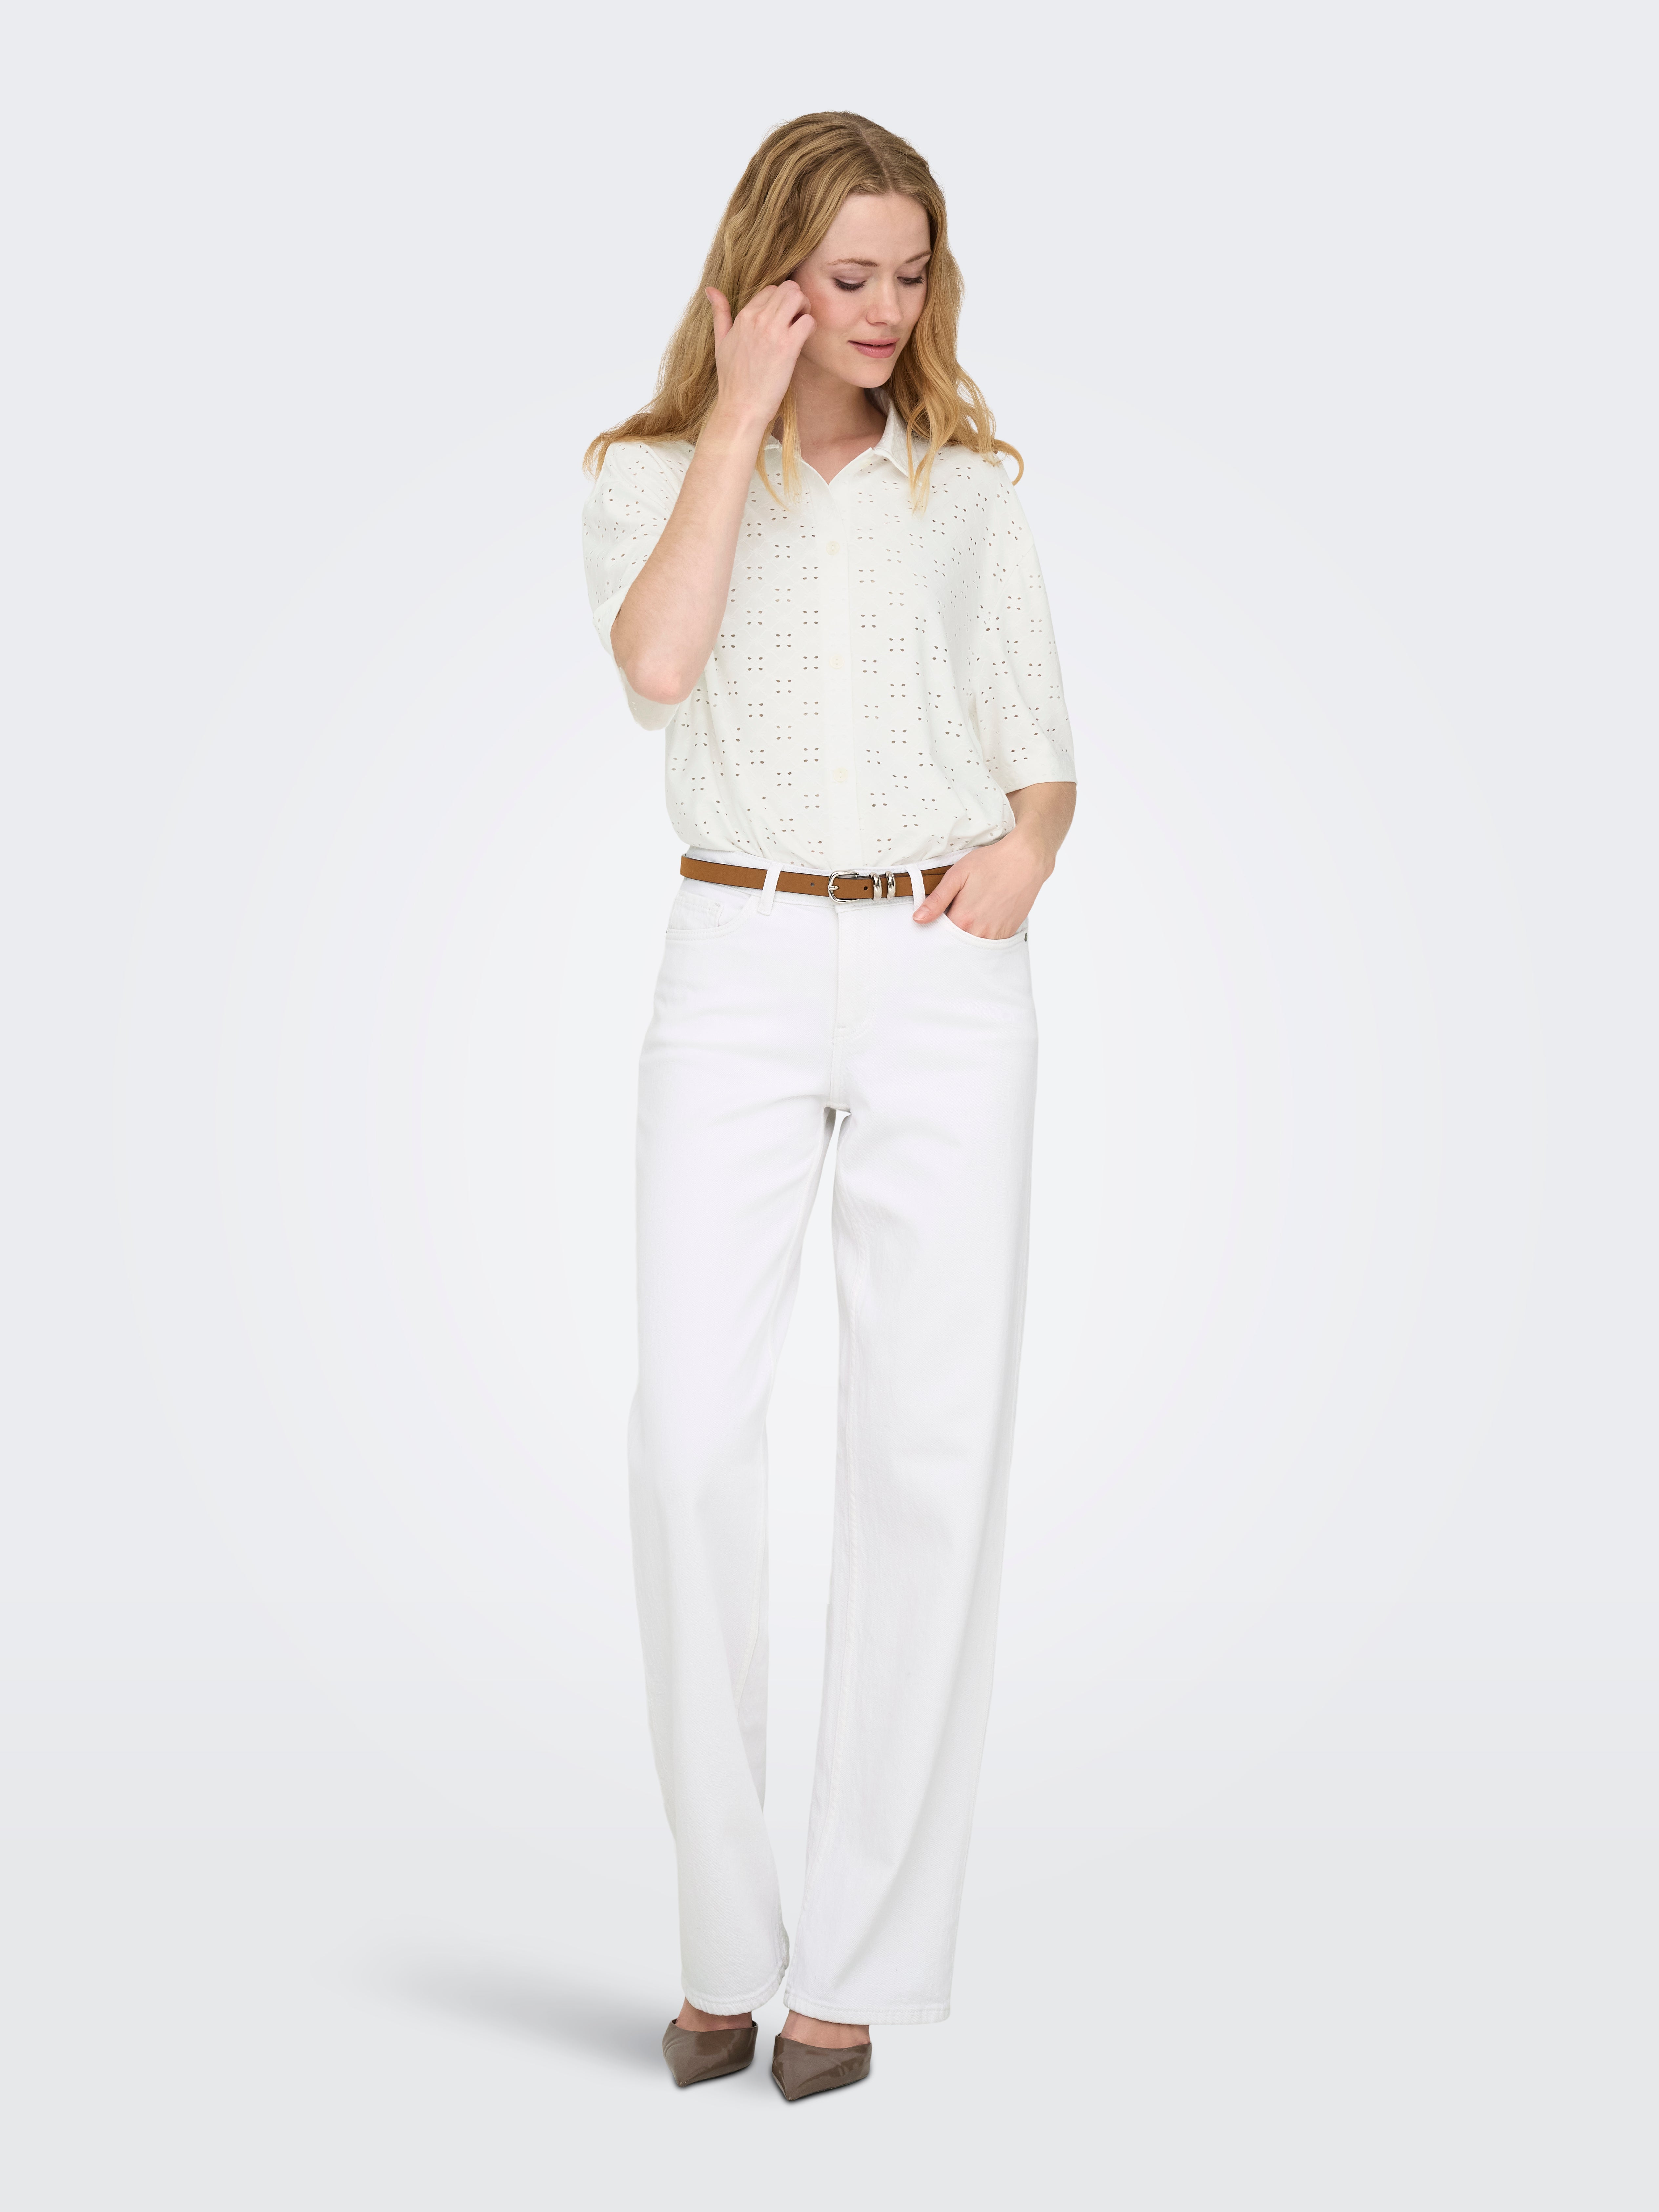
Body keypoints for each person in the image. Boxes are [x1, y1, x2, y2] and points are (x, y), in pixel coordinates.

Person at [581, 110, 1075, 2102]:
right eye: (847, 274)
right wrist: (733, 421)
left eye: (909, 274)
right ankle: (722, 1938)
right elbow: (658, 668)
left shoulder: (967, 486)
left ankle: (855, 1967)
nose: (882, 309)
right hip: (736, 965)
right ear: (768, 272)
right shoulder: (643, 472)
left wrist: (1027, 855)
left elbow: (1038, 737)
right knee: (692, 1443)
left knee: (926, 1458)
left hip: (946, 974)